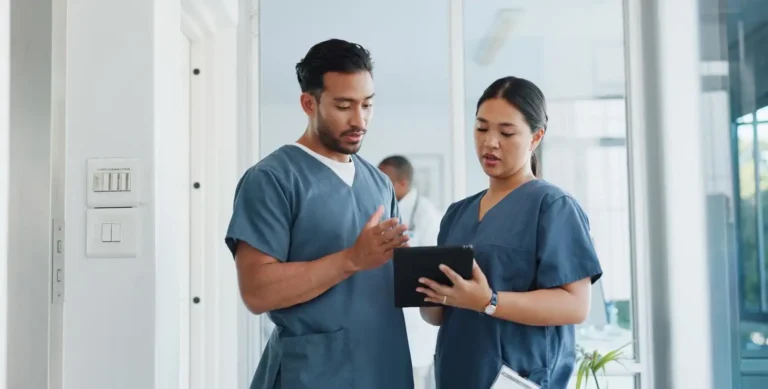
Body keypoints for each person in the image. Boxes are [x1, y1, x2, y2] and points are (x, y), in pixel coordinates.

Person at [225, 39, 413, 389]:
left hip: (384, 366)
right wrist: (352, 259)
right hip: (316, 373)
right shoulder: (272, 179)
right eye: (344, 106)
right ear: (309, 103)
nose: (360, 120)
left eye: (367, 105)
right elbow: (256, 291)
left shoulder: (379, 183)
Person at [417, 76, 603, 389]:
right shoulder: (456, 214)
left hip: (518, 379)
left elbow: (576, 306)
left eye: (506, 132)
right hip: (457, 375)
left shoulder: (553, 206)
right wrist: (424, 288)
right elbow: (437, 316)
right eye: (481, 128)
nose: (490, 142)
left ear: (536, 137)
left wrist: (488, 301)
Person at [378, 155, 443, 389]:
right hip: (387, 320)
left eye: (385, 181)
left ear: (403, 184)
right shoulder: (383, 213)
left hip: (416, 325)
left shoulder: (426, 215)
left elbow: (429, 271)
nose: (379, 185)